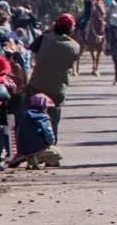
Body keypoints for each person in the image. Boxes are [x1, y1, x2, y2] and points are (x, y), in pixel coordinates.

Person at [27, 14, 81, 144]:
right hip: (57, 90)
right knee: (54, 120)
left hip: (36, 86)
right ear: (71, 29)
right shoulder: (75, 46)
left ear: (55, 25)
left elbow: (32, 48)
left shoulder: (43, 38)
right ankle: (52, 145)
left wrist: (49, 32)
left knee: (28, 114)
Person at [5, 93, 60, 169]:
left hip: (22, 148)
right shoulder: (43, 117)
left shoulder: (23, 115)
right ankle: (36, 159)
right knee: (57, 153)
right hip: (38, 147)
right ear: (44, 107)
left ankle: (23, 157)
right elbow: (48, 133)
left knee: (27, 149)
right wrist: (50, 143)